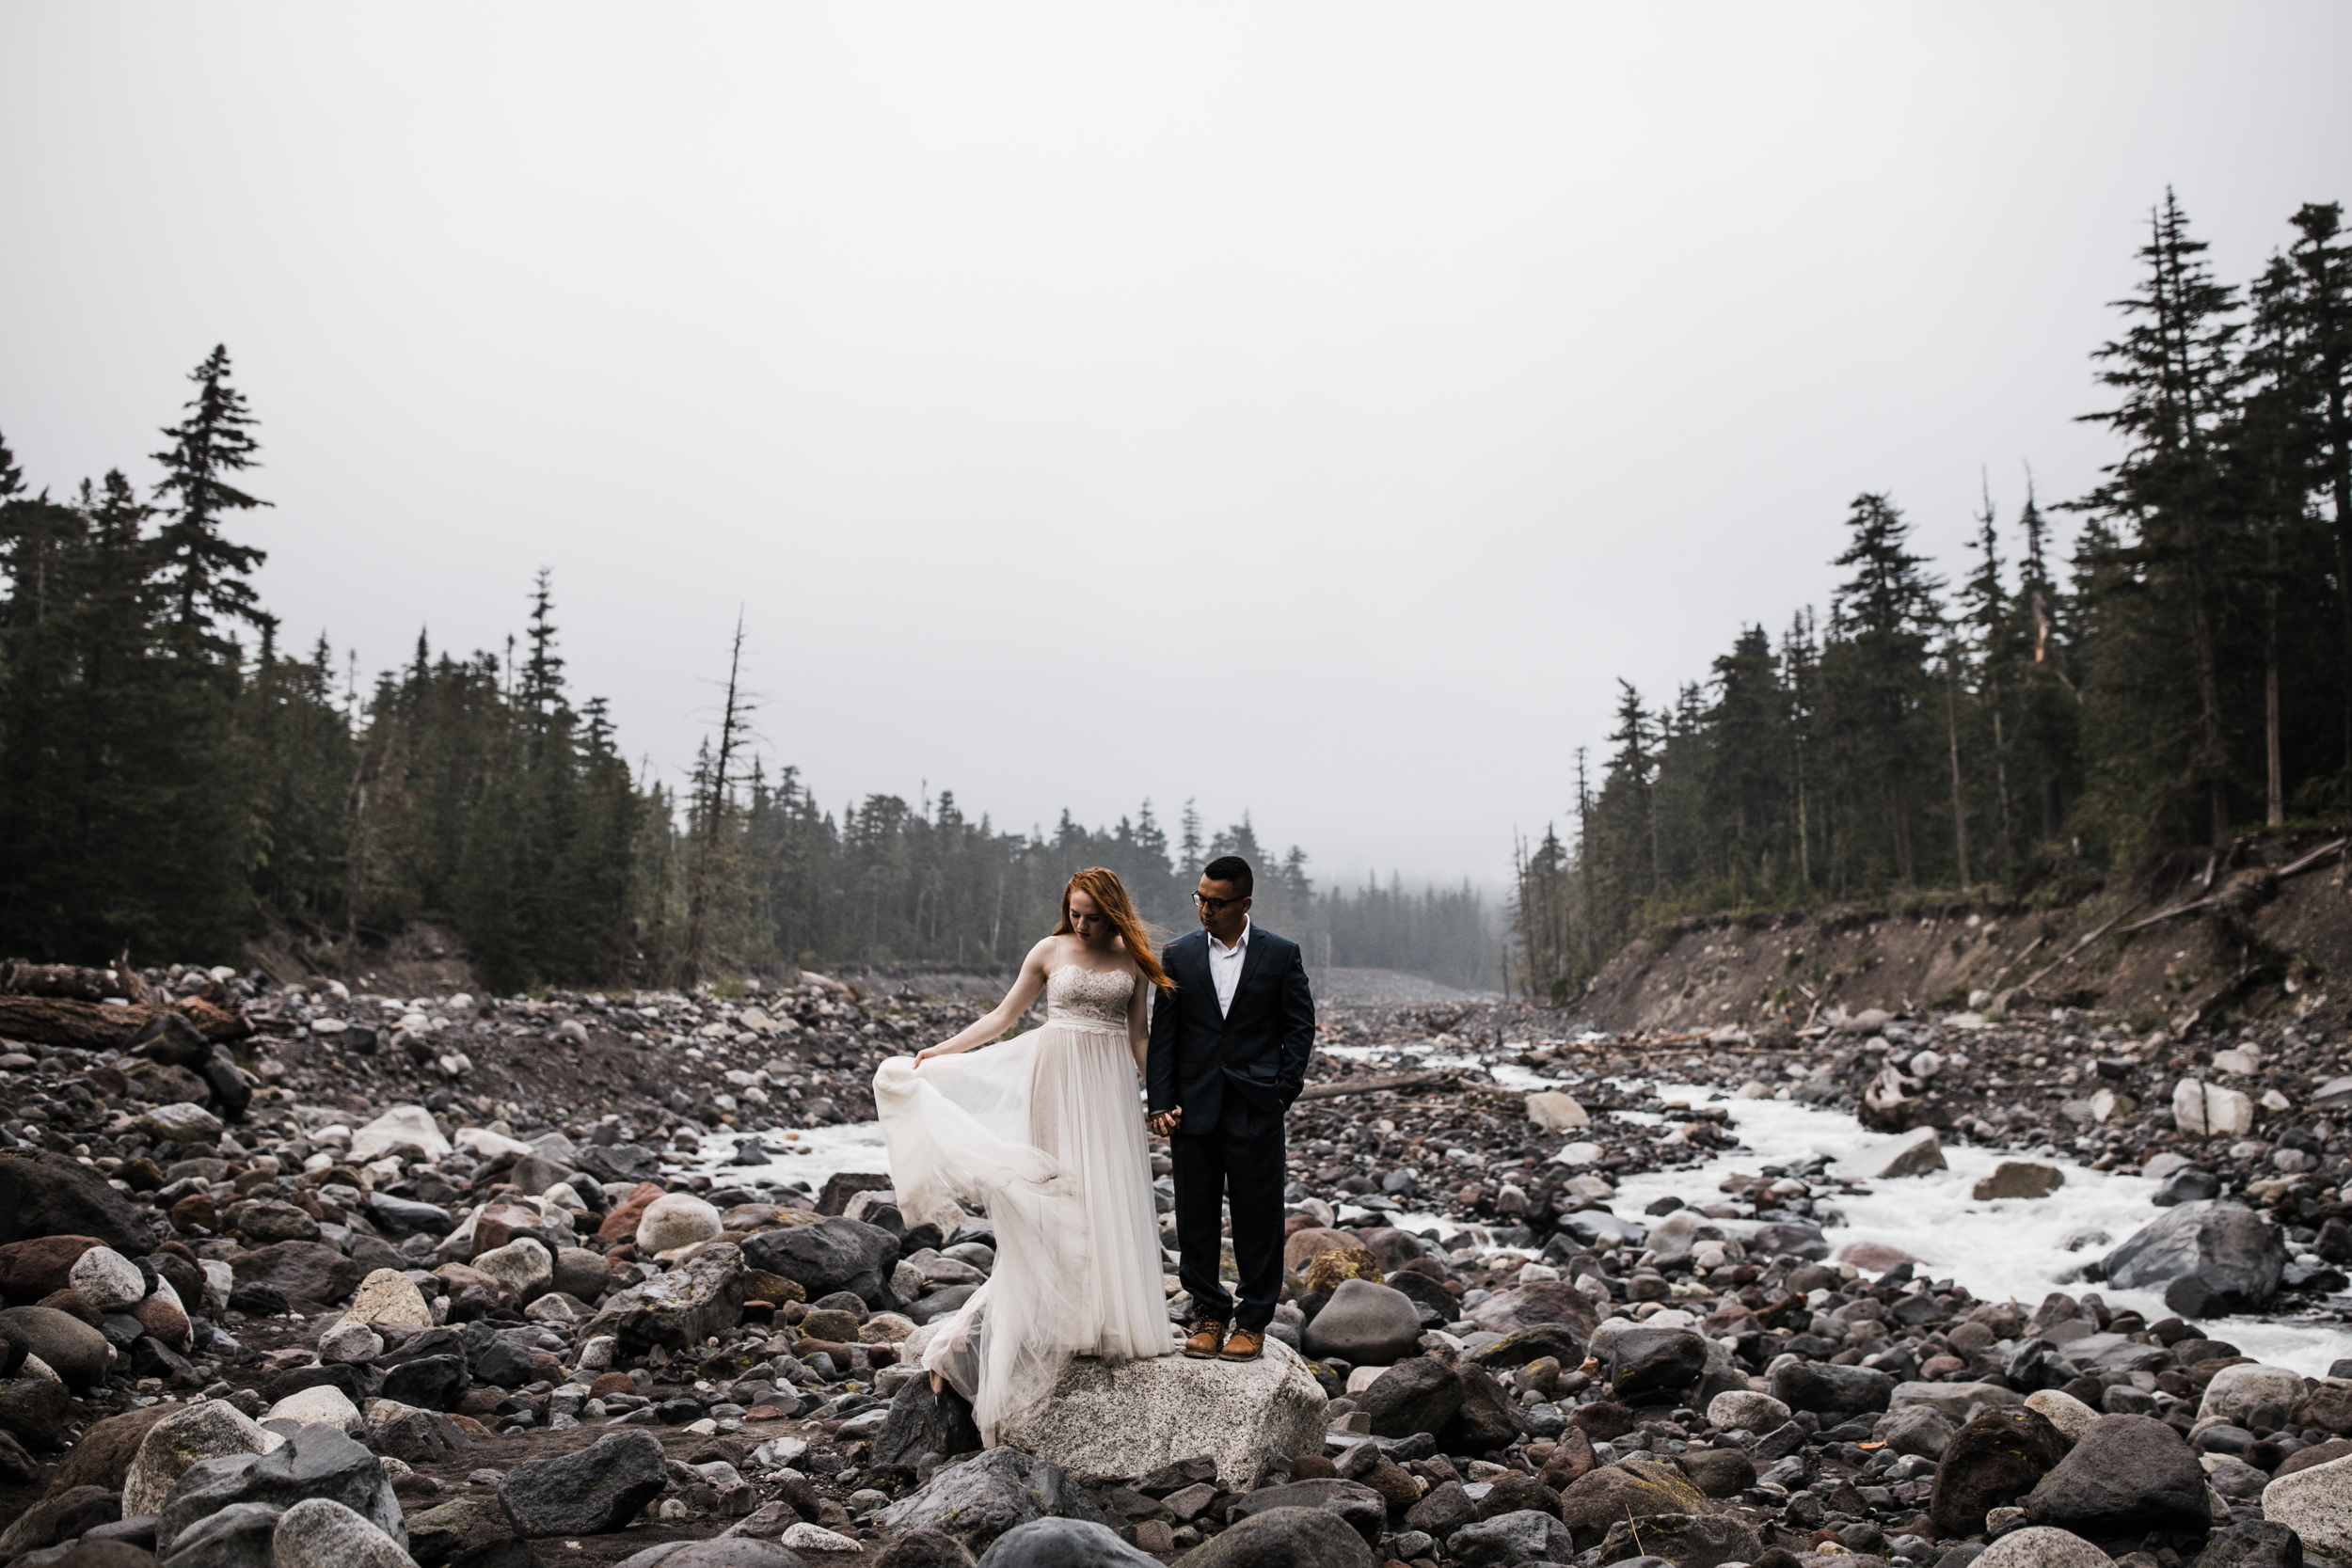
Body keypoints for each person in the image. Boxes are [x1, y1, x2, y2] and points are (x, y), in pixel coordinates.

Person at [870, 866, 1175, 1443]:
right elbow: (1003, 1019)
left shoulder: (1131, 958)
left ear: (1114, 912)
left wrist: (1160, 1098)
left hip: (1109, 1085)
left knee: (1107, 1196)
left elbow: (1139, 1034)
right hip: (1054, 1077)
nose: (1082, 924)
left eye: (1093, 916)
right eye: (1075, 913)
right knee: (1056, 1197)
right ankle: (971, 1343)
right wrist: (939, 1053)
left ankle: (1099, 1320)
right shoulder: (1048, 949)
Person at [1146, 854, 1316, 1362]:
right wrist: (1160, 1101)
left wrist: (1282, 1091)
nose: (1204, 909)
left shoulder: (1281, 954)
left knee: (1257, 1216)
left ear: (1244, 903)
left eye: (1216, 903)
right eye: (1200, 898)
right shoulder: (1177, 955)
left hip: (1255, 1105)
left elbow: (1299, 1027)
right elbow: (1164, 1038)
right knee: (1195, 1214)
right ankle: (1208, 1313)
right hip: (1192, 1107)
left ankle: (1254, 1321)